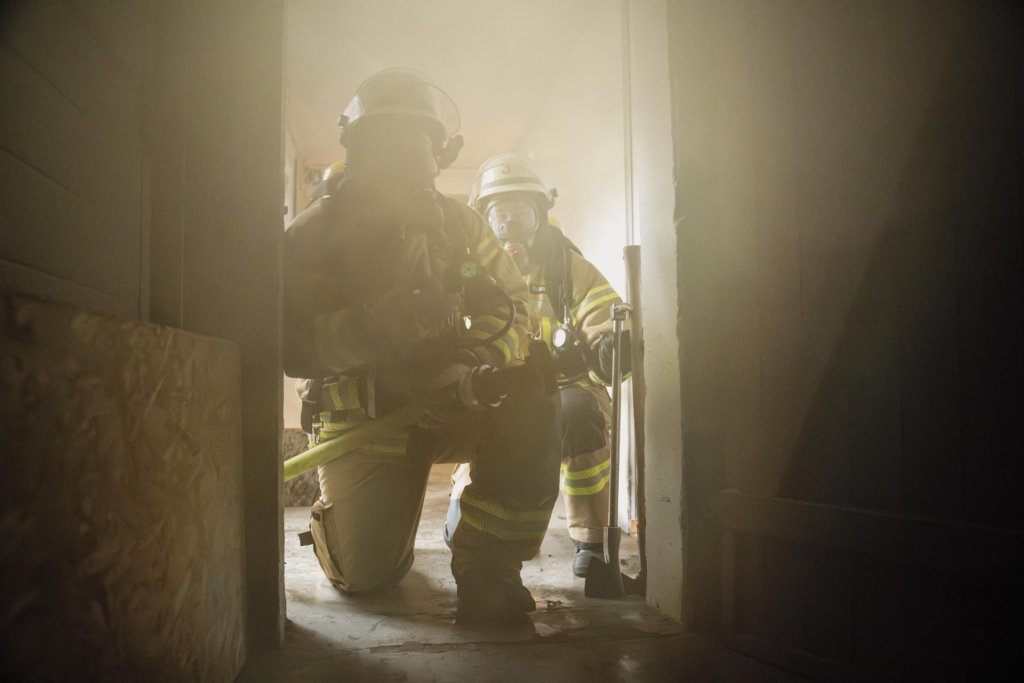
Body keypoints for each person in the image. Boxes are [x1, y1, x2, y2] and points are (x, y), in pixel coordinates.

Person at [283, 70, 561, 617]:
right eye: (390, 142)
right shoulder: (316, 234)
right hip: (368, 420)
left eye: (420, 145)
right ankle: (345, 526)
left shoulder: (460, 227)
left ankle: (489, 566)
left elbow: (513, 308)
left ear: (436, 152)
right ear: (359, 150)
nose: (409, 161)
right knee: (367, 580)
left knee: (532, 396)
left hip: (455, 400)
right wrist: (368, 328)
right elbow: (287, 345)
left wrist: (471, 365)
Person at [468, 153, 632, 577]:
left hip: (566, 385)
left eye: (519, 212)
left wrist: (609, 346)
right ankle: (481, 539)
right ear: (483, 221)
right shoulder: (471, 272)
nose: (509, 224)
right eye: (498, 214)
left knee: (579, 415)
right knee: (485, 434)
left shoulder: (567, 267)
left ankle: (592, 542)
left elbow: (603, 316)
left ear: (539, 215)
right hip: (498, 385)